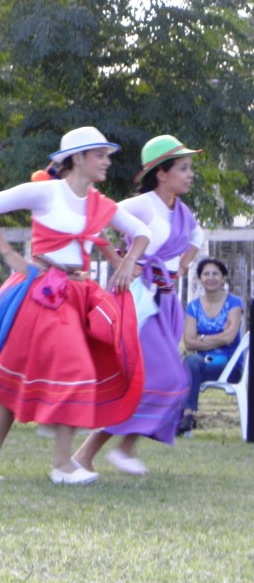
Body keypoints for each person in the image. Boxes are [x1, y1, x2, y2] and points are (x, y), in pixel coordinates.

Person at [0, 126, 150, 485]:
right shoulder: (47, 192)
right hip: (41, 293)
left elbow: (144, 233)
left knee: (20, 379)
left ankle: (11, 464)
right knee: (56, 371)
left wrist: (128, 262)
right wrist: (9, 252)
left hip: (77, 294)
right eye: (99, 155)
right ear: (77, 159)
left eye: (106, 155)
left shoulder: (99, 204)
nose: (106, 161)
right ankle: (54, 465)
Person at [73, 135, 203, 475]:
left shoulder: (184, 212)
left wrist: (182, 267)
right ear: (161, 173)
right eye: (183, 168)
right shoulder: (142, 205)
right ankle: (123, 449)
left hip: (166, 303)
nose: (190, 174)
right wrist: (123, 262)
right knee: (170, 378)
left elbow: (197, 240)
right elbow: (96, 225)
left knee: (152, 381)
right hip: (138, 302)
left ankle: (87, 456)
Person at [177, 258, 245, 434]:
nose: (211, 277)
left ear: (223, 278)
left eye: (215, 273)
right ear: (200, 278)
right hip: (201, 364)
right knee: (189, 363)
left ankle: (183, 417)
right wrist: (218, 337)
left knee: (188, 365)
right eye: (206, 274)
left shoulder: (234, 304)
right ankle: (187, 416)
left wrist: (203, 337)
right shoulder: (193, 307)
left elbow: (229, 338)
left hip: (229, 366)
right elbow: (189, 341)